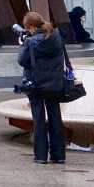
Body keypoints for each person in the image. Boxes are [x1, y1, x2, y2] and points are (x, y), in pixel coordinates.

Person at [16, 11, 69, 163]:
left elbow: (22, 61)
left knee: (39, 120)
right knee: (55, 118)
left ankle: (40, 156)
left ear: (31, 27)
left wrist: (23, 45)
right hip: (55, 83)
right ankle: (58, 156)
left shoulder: (31, 42)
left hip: (36, 85)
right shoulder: (57, 37)